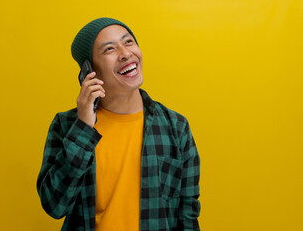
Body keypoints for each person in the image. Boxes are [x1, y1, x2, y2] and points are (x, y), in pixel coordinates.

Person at [37, 17, 201, 231]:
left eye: (129, 42)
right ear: (89, 70)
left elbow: (187, 215)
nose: (125, 54)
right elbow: (54, 205)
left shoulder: (175, 127)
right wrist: (84, 129)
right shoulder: (67, 126)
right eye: (109, 49)